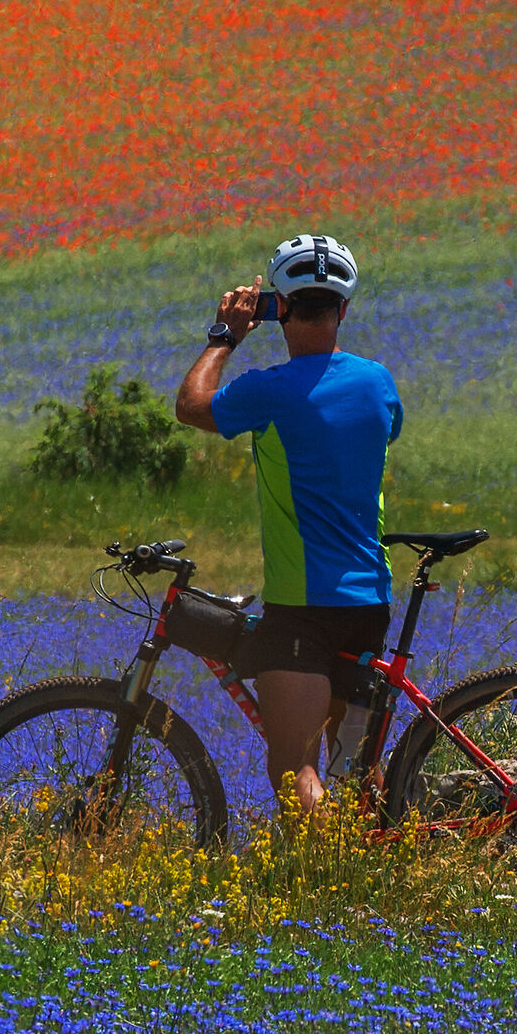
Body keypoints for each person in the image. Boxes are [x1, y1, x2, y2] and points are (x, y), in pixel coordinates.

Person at [175, 234, 402, 815]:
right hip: (369, 599)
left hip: (304, 605)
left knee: (295, 771)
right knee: (354, 771)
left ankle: (318, 889)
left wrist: (225, 336)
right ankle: (377, 877)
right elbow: (387, 429)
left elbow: (192, 406)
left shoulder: (268, 390)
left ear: (280, 307)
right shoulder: (377, 383)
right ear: (343, 309)